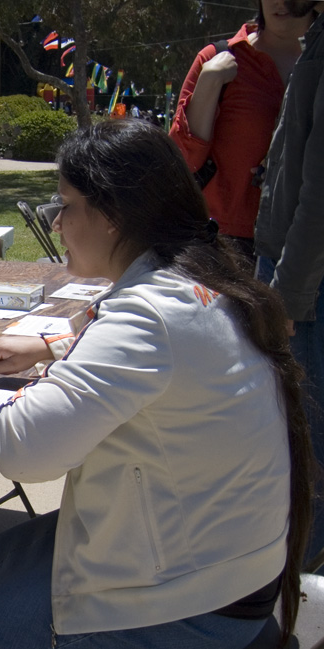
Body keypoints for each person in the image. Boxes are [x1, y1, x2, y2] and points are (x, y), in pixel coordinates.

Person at [0, 120, 315, 649]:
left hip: (192, 598)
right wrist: (53, 348)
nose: (57, 222)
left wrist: (45, 378)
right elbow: (161, 354)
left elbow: (25, 453)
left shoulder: (149, 316)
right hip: (234, 567)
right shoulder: (208, 284)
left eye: (65, 206)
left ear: (112, 215)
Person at [256, 0, 324, 572]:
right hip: (289, 273)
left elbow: (322, 195)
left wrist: (287, 296)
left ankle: (296, 593)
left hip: (305, 287)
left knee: (306, 452)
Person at [170, 0, 313, 263]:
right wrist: (209, 82)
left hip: (306, 245)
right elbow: (181, 163)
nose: (279, 3)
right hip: (223, 242)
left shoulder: (318, 63)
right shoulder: (217, 57)